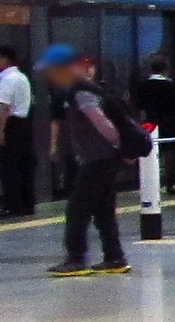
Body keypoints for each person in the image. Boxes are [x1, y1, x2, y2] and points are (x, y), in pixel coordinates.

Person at [40, 45, 138, 277]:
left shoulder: (82, 92)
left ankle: (76, 258)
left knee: (77, 208)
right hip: (104, 158)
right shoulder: (89, 90)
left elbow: (102, 123)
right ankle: (114, 257)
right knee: (103, 209)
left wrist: (119, 146)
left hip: (98, 159)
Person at [0, 46, 35, 215]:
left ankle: (13, 205)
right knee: (23, 165)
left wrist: (0, 131)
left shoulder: (7, 79)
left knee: (8, 167)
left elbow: (4, 107)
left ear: (5, 59)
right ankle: (26, 204)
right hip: (23, 124)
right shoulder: (22, 77)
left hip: (10, 124)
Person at [136, 56, 175, 191]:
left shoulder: (144, 85)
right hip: (169, 123)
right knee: (169, 152)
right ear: (165, 70)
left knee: (150, 151)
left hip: (150, 122)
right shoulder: (170, 86)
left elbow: (139, 104)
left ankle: (149, 183)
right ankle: (169, 183)